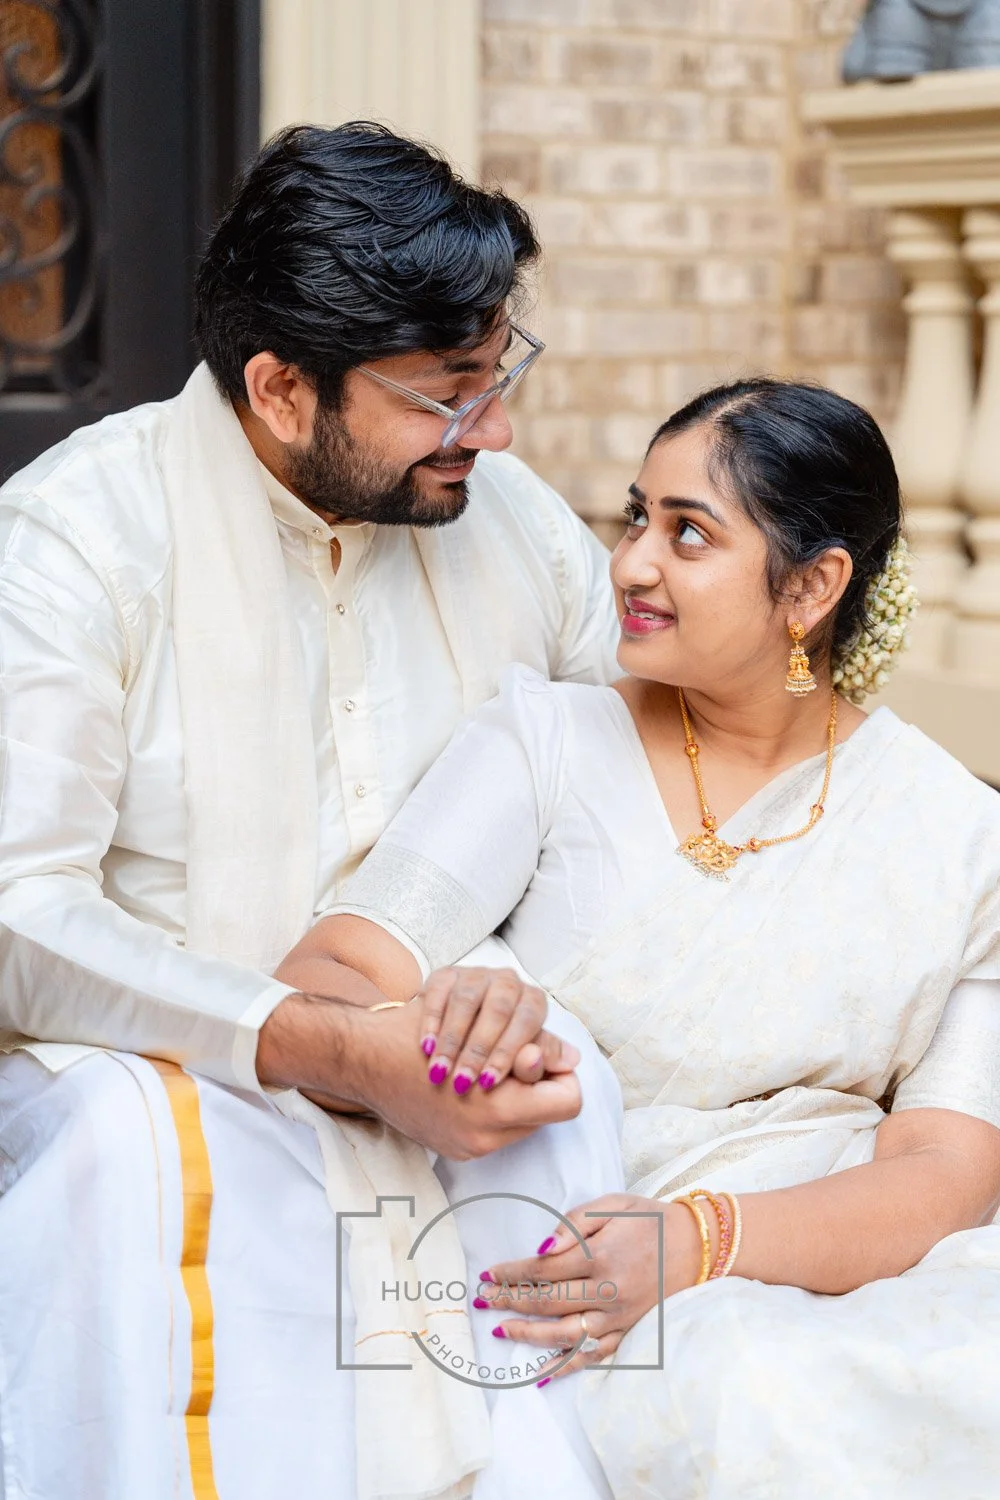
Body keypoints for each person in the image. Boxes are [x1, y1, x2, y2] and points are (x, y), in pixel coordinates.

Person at [0, 123, 626, 1500]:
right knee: (129, 1152)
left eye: (499, 372)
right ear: (283, 389)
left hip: (463, 1069)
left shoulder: (518, 527)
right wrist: (319, 1045)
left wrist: (493, 1002)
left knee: (575, 1079)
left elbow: (615, 806)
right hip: (171, 1069)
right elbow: (18, 915)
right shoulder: (76, 541)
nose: (496, 429)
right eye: (449, 393)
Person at [290, 379, 1000, 1498]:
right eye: (635, 518)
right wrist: (434, 1021)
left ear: (812, 586)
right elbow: (327, 973)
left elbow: (948, 1169)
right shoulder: (547, 745)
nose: (628, 564)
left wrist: (702, 1240)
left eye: (688, 534)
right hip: (569, 1279)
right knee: (746, 1387)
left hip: (846, 1267)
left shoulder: (959, 834)